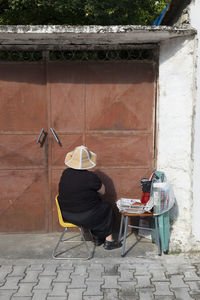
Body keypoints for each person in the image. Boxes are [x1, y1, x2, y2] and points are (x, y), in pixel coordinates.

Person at [58, 145, 121, 250]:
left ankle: (97, 238)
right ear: (87, 161)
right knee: (106, 208)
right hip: (85, 217)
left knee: (94, 206)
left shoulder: (65, 173)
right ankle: (109, 241)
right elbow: (103, 191)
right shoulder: (90, 177)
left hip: (66, 215)